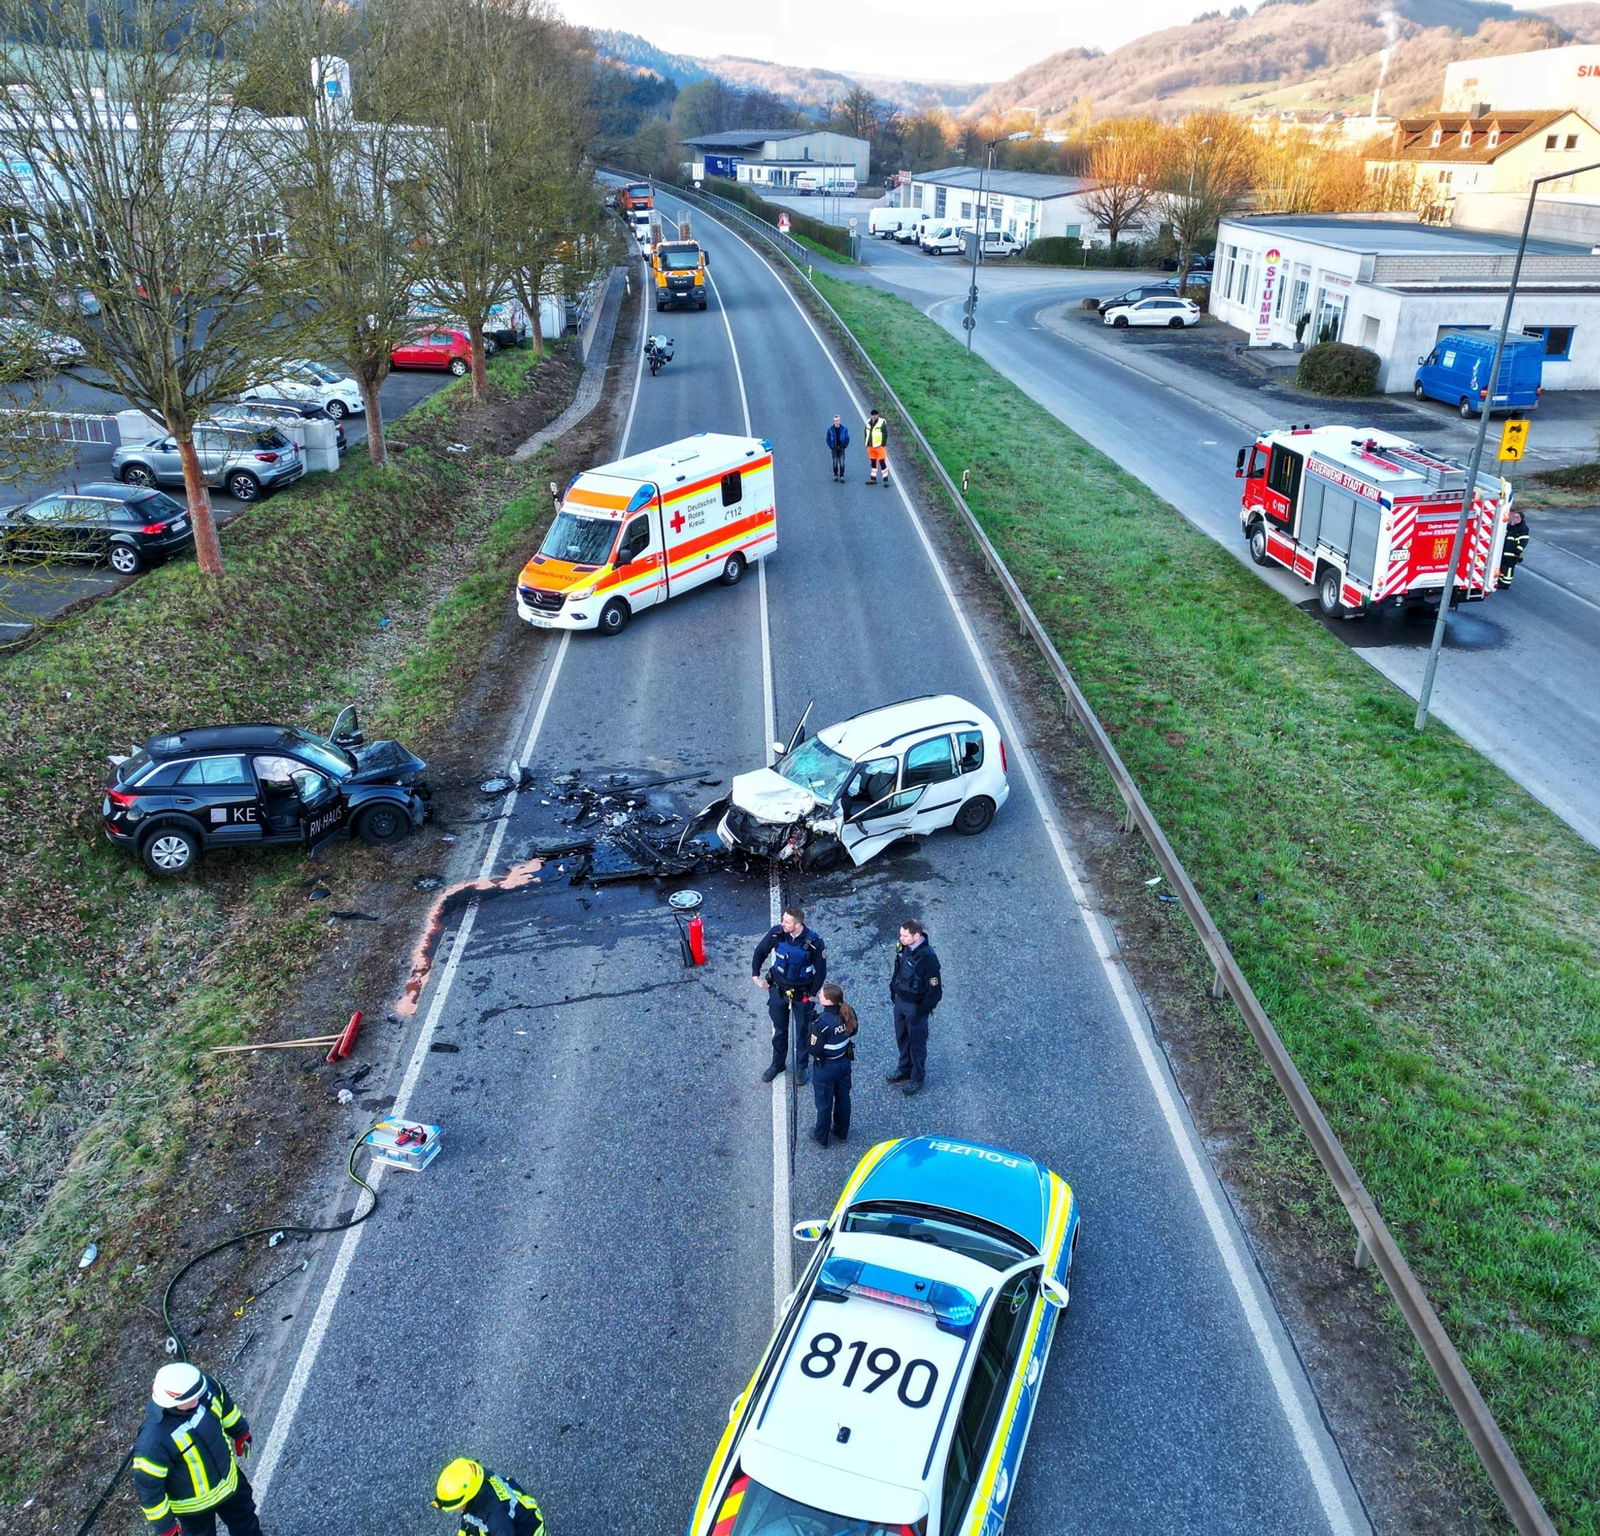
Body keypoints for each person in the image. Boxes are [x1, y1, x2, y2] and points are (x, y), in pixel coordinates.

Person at [131, 1363, 262, 1536]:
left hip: (229, 1484)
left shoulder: (204, 1388)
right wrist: (165, 1526)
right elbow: (149, 1489)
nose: (197, 1400)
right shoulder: (153, 1442)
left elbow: (226, 1409)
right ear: (170, 1402)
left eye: (198, 1394)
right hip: (194, 1510)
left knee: (247, 1525)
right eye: (190, 1399)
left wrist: (240, 1432)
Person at [752, 905, 827, 1085]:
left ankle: (802, 1067)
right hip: (778, 990)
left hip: (802, 994)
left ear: (798, 924)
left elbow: (821, 971)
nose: (783, 924)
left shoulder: (815, 942)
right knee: (779, 1031)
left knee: (803, 1032)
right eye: (783, 920)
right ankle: (778, 1064)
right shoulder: (777, 934)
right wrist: (756, 975)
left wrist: (811, 994)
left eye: (787, 922)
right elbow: (760, 951)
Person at [885, 918, 941, 1095]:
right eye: (900, 935)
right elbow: (898, 969)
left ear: (916, 936)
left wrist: (921, 1010)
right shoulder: (905, 948)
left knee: (917, 1044)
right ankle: (904, 1068)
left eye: (904, 936)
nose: (900, 938)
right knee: (901, 1037)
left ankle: (917, 1077)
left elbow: (935, 992)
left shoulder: (928, 959)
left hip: (915, 1006)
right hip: (900, 1002)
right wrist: (893, 991)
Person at [431, 1459, 546, 1536]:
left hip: (529, 1530)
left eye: (454, 1507)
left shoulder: (496, 1520)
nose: (453, 1510)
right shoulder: (477, 1479)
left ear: (468, 1498)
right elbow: (469, 1522)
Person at [807, 982, 856, 1146]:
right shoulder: (848, 1013)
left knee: (824, 1103)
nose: (818, 995)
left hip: (826, 1069)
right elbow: (854, 1031)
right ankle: (842, 1132)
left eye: (821, 994)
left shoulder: (820, 1023)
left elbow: (813, 1049)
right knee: (843, 1098)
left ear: (828, 1001)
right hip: (844, 1063)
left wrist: (810, 1028)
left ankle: (821, 1136)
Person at [1499, 507, 1531, 588]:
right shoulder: (1512, 526)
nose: (1515, 519)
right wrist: (1510, 525)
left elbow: (1524, 541)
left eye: (1517, 517)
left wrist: (1517, 551)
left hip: (1512, 553)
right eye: (1514, 517)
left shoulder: (1524, 528)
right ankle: (1500, 581)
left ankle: (1506, 584)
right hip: (1505, 551)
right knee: (1502, 567)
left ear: (1521, 518)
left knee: (1509, 568)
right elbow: (1505, 531)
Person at [864, 410, 889, 486]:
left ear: (877, 415)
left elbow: (885, 433)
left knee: (882, 462)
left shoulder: (882, 422)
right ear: (870, 415)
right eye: (873, 415)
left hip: (879, 446)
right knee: (873, 462)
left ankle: (885, 480)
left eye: (875, 415)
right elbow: (865, 433)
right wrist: (866, 443)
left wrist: (883, 444)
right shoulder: (868, 422)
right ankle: (873, 479)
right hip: (870, 446)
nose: (874, 416)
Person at [825, 414, 850, 482]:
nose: (836, 422)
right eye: (835, 421)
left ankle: (841, 476)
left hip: (841, 448)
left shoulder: (844, 429)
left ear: (840, 421)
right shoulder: (830, 430)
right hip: (834, 449)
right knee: (835, 462)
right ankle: (835, 474)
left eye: (838, 420)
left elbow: (847, 438)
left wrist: (844, 446)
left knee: (842, 462)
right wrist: (831, 446)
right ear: (833, 422)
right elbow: (827, 439)